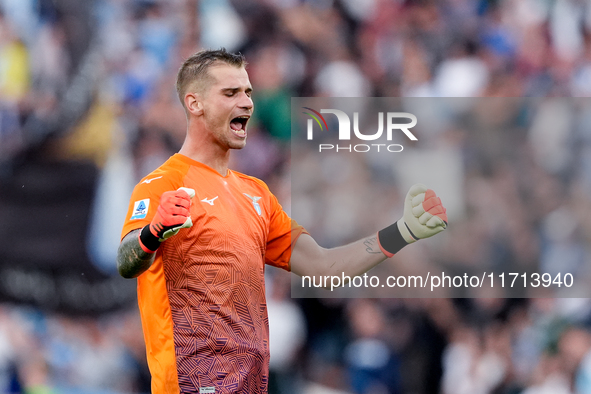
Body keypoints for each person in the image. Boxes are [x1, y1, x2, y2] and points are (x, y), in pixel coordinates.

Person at [117, 48, 448, 394]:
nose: (246, 103)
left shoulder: (256, 194)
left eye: (248, 92)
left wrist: (403, 232)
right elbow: (126, 260)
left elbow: (325, 267)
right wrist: (152, 234)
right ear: (195, 104)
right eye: (230, 93)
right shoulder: (162, 184)